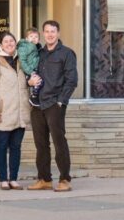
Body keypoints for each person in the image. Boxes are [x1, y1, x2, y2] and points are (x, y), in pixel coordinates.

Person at [25, 20, 78, 192]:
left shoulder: (67, 53)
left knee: (59, 142)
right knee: (41, 144)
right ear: (43, 33)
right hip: (37, 105)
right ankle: (44, 179)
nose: (49, 34)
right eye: (46, 31)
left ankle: (64, 179)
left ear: (58, 33)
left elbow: (72, 80)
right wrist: (29, 81)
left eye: (53, 31)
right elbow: (30, 72)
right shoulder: (38, 53)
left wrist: (61, 101)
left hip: (54, 104)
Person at [0, 31, 31, 190]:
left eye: (11, 41)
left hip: (20, 112)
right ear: (1, 45)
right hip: (4, 112)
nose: (9, 44)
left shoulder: (21, 60)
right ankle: (3, 179)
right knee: (2, 146)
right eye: (6, 41)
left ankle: (13, 179)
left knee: (16, 147)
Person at [16, 27, 43, 107]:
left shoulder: (38, 48)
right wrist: (30, 72)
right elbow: (22, 61)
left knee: (40, 83)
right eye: (31, 36)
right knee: (38, 82)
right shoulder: (24, 47)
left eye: (36, 37)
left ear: (39, 40)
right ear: (26, 39)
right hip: (29, 70)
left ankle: (35, 96)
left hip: (35, 69)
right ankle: (33, 97)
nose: (33, 38)